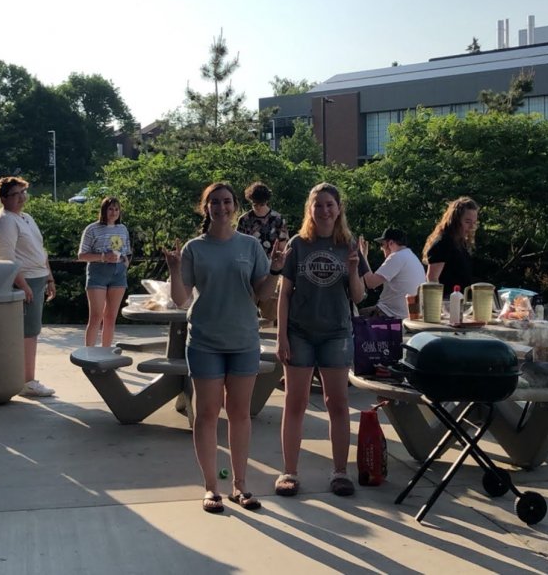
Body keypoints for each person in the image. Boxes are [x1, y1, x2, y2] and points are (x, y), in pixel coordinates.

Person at [165, 183, 283, 513]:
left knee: (239, 414)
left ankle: (240, 485)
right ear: (206, 208)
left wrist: (275, 269)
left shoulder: (249, 245)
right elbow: (180, 298)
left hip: (244, 340)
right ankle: (211, 487)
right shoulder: (193, 248)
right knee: (205, 415)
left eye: (227, 201)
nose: (221, 207)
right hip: (205, 341)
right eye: (214, 202)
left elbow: (263, 293)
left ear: (234, 207)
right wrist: (174, 269)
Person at [276, 182, 368, 498]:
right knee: (295, 403)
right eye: (318, 205)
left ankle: (340, 472)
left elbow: (359, 297)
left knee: (337, 403)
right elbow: (284, 294)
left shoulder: (349, 245)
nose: (324, 210)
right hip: (300, 333)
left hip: (336, 334)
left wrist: (354, 270)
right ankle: (289, 472)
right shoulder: (299, 245)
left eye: (329, 204)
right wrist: (281, 336)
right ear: (310, 210)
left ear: (338, 208)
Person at [0, 176, 56, 398]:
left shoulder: (25, 217)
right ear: (3, 197)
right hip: (22, 281)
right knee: (27, 332)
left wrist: (49, 278)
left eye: (22, 193)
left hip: (38, 278)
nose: (21, 198)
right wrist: (23, 285)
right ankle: (27, 381)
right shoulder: (4, 221)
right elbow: (6, 259)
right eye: (15, 194)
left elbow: (40, 250)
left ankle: (26, 378)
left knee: (32, 331)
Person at [77, 196, 131, 347]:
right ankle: (89, 354)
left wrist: (126, 262)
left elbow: (126, 251)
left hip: (118, 274)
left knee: (111, 317)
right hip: (98, 273)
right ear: (104, 210)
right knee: (96, 316)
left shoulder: (122, 229)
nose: (113, 212)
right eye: (110, 209)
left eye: (116, 209)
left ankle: (106, 351)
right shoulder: (92, 229)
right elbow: (81, 255)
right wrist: (103, 257)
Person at [237, 182, 287, 324]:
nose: (257, 206)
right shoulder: (245, 220)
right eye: (254, 203)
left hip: (270, 268)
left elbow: (283, 244)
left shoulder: (277, 219)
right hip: (249, 267)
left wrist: (279, 268)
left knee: (269, 313)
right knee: (246, 309)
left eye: (260, 203)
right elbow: (238, 245)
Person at [358, 227, 425, 319]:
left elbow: (371, 283)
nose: (381, 249)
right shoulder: (412, 257)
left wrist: (362, 257)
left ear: (390, 243)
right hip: (409, 314)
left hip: (391, 314)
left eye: (382, 245)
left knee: (354, 317)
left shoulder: (397, 256)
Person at [422, 197, 478, 294]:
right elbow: (432, 279)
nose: (472, 227)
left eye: (474, 222)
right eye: (467, 222)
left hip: (461, 300)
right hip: (447, 302)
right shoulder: (443, 242)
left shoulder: (460, 243)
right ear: (455, 220)